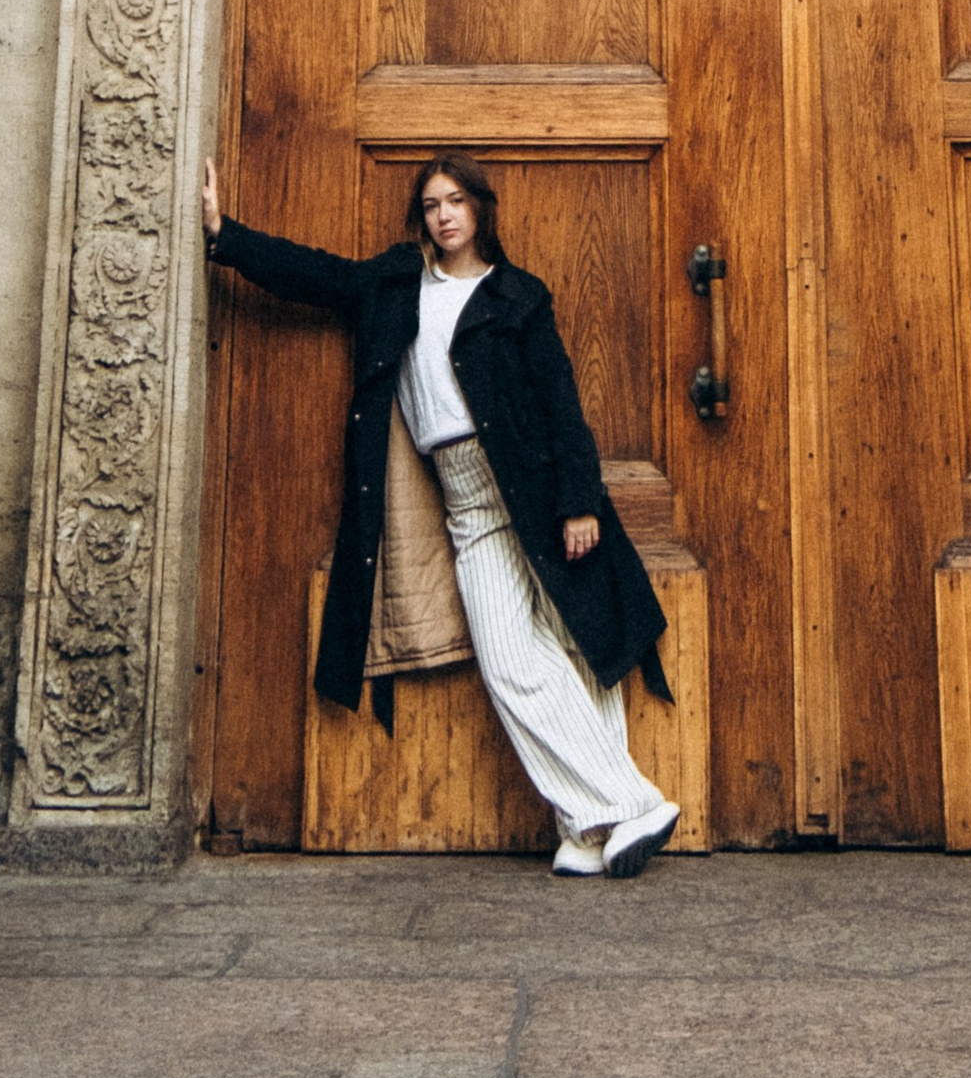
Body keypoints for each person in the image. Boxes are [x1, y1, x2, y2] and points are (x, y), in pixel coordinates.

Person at [202, 146, 682, 877]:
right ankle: (621, 806)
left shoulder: (519, 296)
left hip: (538, 492)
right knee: (511, 658)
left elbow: (562, 407)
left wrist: (581, 501)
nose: (443, 214)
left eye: (455, 200)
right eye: (431, 204)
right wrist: (224, 235)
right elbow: (319, 276)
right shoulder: (397, 283)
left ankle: (594, 821)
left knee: (575, 649)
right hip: (464, 499)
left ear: (480, 208)